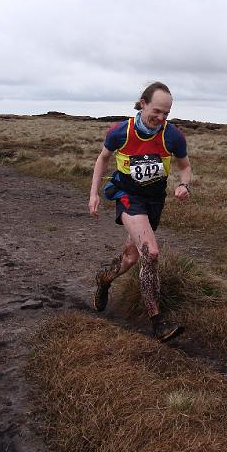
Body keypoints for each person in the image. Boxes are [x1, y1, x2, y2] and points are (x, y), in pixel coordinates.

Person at [88, 82, 191, 342]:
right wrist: (94, 193)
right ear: (142, 103)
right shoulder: (120, 132)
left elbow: (185, 166)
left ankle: (104, 280)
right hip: (127, 196)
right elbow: (102, 159)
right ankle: (157, 322)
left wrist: (183, 184)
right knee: (151, 253)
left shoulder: (173, 136)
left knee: (131, 257)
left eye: (166, 113)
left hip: (154, 201)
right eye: (156, 111)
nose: (161, 118)